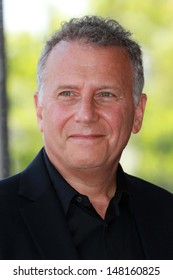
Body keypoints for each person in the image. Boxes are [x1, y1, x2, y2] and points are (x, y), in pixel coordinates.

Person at [0, 16, 172, 260]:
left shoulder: (167, 214)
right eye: (67, 93)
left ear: (138, 113)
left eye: (106, 94)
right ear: (40, 111)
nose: (86, 114)